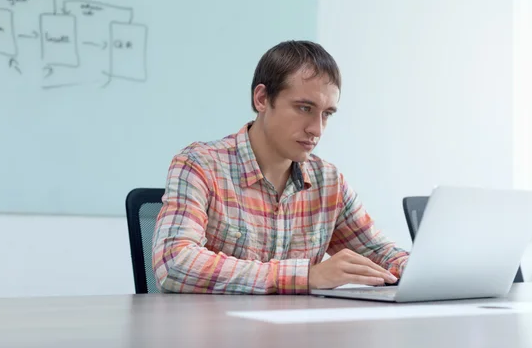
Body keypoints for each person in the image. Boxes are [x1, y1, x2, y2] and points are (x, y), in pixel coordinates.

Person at [152, 40, 409, 294]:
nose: (317, 129)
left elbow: (382, 254)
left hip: (297, 333)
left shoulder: (329, 181)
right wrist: (305, 276)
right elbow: (174, 262)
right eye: (304, 108)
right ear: (262, 99)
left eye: (327, 114)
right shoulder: (199, 164)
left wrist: (427, 269)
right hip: (222, 332)